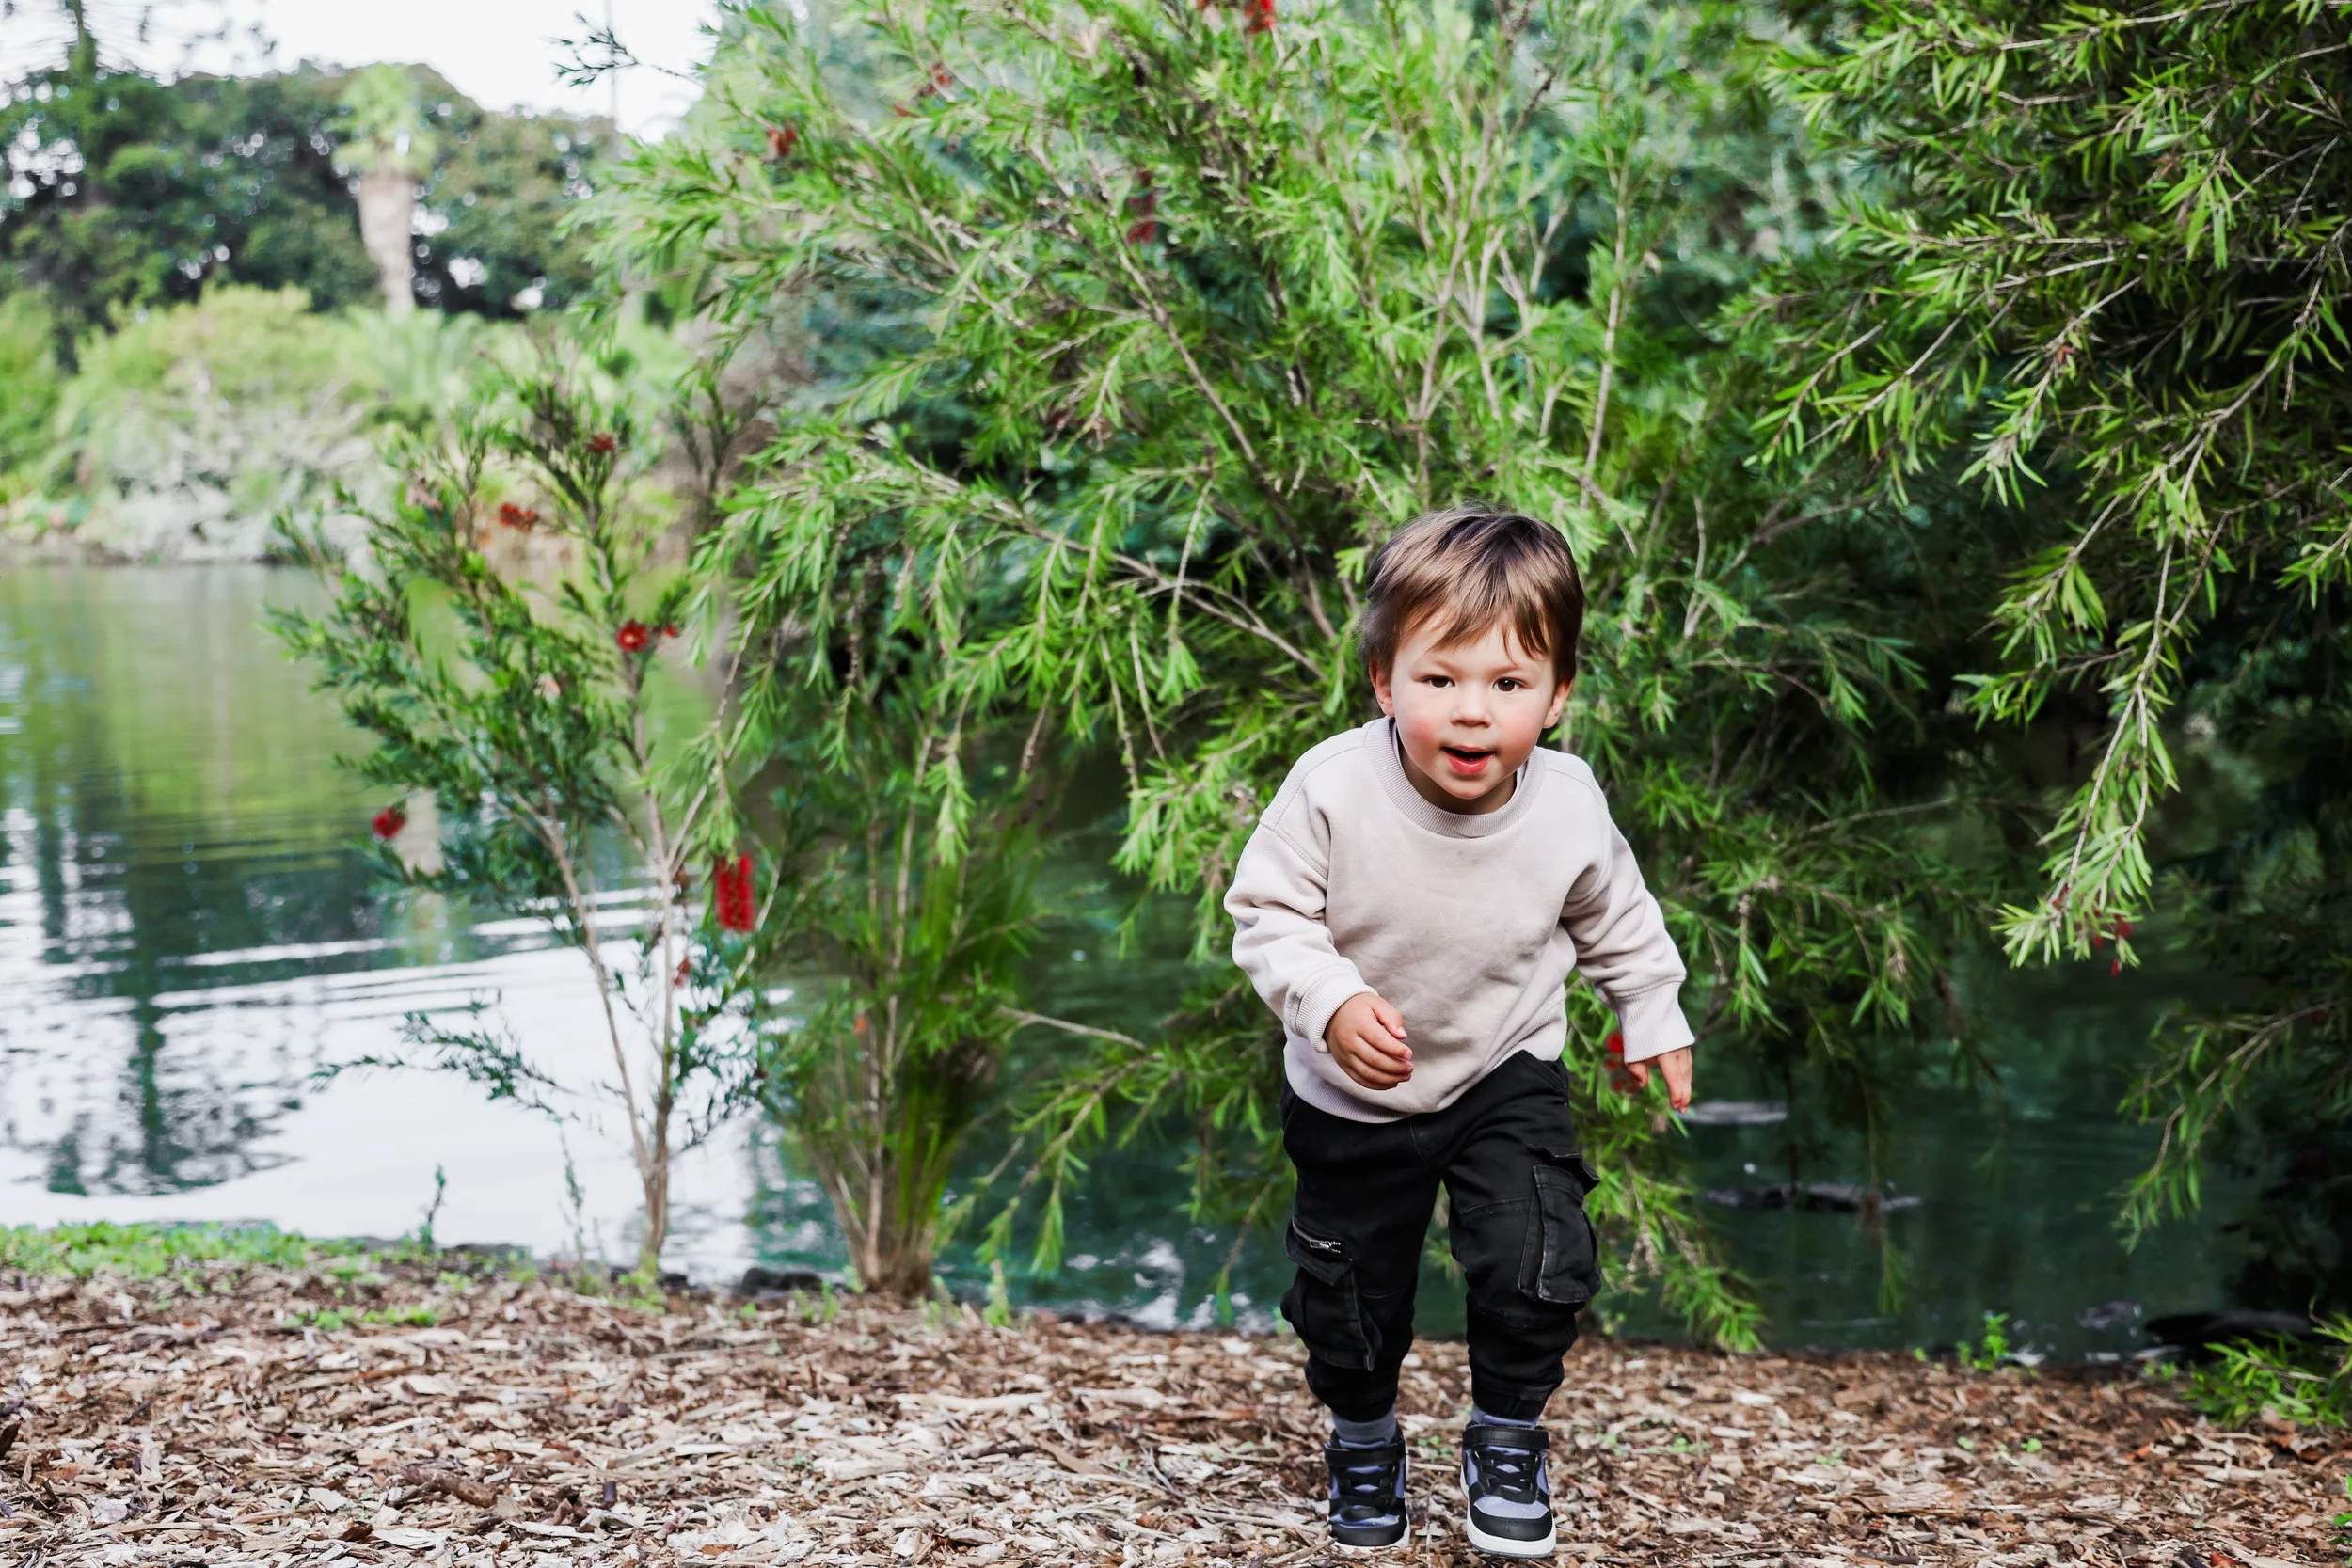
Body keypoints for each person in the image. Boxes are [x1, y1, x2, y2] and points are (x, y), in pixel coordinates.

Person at [1225, 505, 1696, 1556]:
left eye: (1508, 682)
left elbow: (1615, 915)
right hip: (1351, 1088)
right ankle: (1362, 1435)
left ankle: (1507, 1434)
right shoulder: (1333, 786)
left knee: (1536, 1254)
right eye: (1440, 680)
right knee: (1349, 1291)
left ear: (1558, 693)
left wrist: (1649, 1011)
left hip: (1504, 1063)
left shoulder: (1569, 803)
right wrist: (1333, 1001)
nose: (1472, 713)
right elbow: (1267, 915)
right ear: (1385, 680)